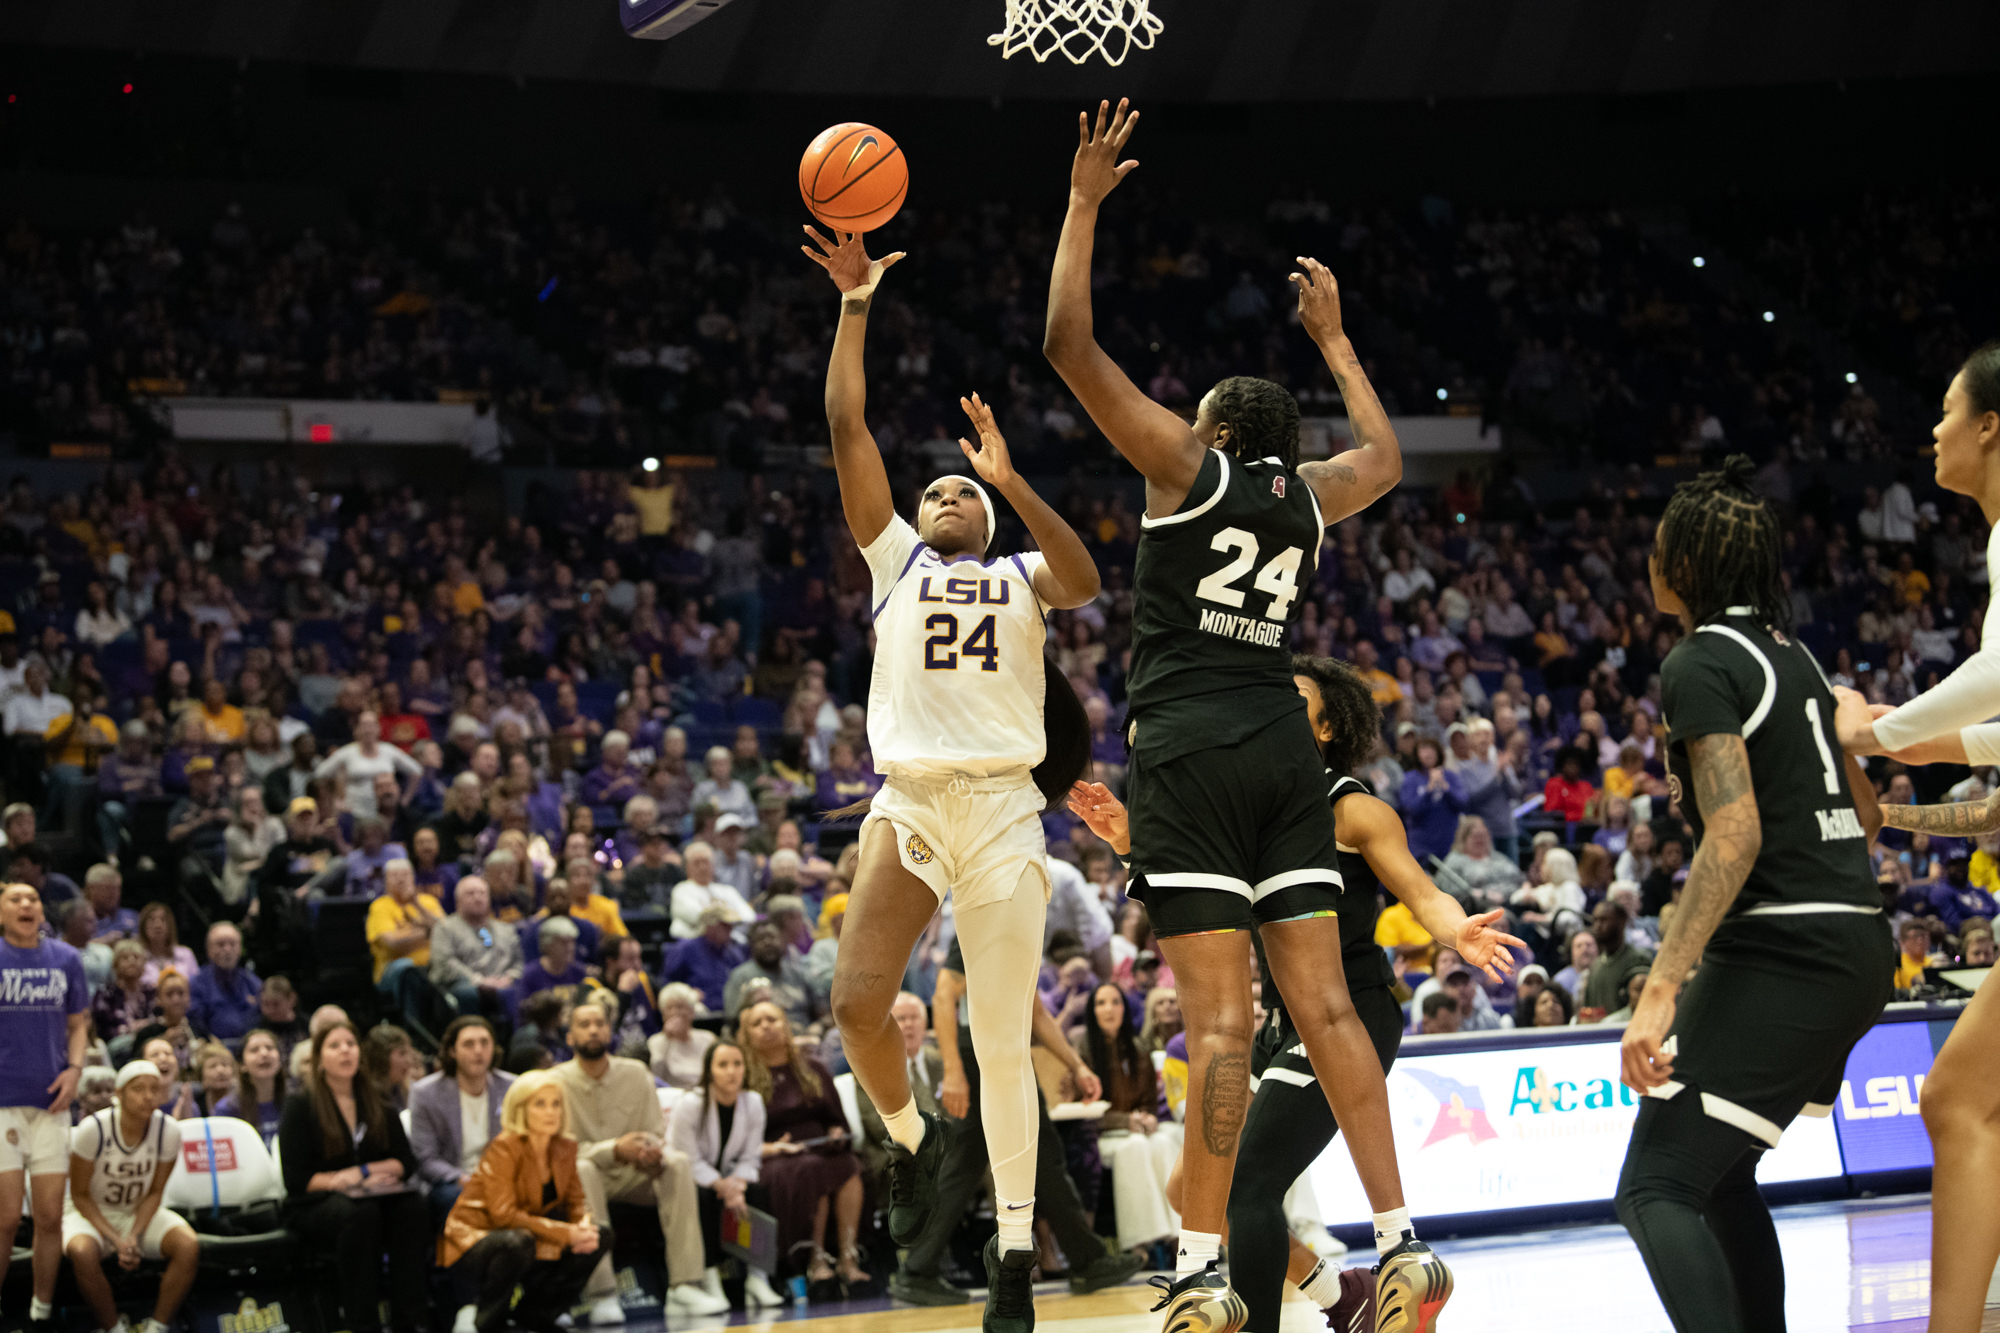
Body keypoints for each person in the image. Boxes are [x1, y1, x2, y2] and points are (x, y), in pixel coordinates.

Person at [1045, 98, 1442, 1333]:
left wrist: (1082, 201)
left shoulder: (1181, 465)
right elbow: (1383, 457)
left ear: (1214, 430)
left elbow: (1066, 341)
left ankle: (1206, 1269)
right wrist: (1333, 340)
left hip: (1189, 756)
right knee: (1321, 1011)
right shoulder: (1313, 498)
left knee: (1222, 1021)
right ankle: (1401, 1242)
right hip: (1282, 758)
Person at [804, 222, 1101, 1332]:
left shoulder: (1021, 570)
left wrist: (1012, 482)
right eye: (932, 492)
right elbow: (843, 423)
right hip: (914, 800)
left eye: (956, 493)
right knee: (853, 1002)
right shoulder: (893, 564)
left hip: (1003, 814)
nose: (942, 497)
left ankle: (1014, 1256)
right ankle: (920, 1148)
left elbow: (1079, 576)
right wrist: (854, 303)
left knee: (996, 1031)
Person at [1616, 457, 1892, 1333]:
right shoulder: (1794, 654)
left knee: (1655, 1186)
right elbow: (1869, 813)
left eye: (1660, 542)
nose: (1650, 555)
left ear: (1687, 562)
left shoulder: (1700, 660)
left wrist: (1659, 989)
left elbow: (1735, 836)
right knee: (1722, 1175)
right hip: (1852, 938)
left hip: (1787, 948)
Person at [894, 942, 1145, 1307]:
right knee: (976, 1162)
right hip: (980, 1052)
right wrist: (952, 1070)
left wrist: (1076, 1065)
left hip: (1007, 1049)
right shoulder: (982, 917)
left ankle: (1087, 1260)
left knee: (1038, 1158)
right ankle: (917, 1270)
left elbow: (1037, 1012)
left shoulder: (1023, 929)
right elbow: (944, 996)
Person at [554, 997, 729, 1319]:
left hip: (632, 1173)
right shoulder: (555, 1082)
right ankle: (602, 1294)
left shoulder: (636, 1073)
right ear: (570, 1036)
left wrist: (651, 1150)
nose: (593, 1030)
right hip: (584, 1179)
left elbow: (652, 1131)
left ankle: (685, 1286)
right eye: (584, 1025)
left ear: (610, 1032)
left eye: (600, 1024)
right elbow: (560, 1154)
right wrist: (614, 1148)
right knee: (581, 1167)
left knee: (676, 1163)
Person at [278, 1019, 428, 1333]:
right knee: (360, 1214)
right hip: (315, 1204)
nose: (345, 1051)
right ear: (320, 1058)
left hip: (371, 1194)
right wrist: (338, 1181)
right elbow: (296, 1179)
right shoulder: (300, 1105)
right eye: (335, 1046)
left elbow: (405, 1162)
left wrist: (361, 1173)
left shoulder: (377, 1099)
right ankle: (363, 1322)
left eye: (351, 1044)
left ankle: (408, 1319)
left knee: (413, 1207)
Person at [441, 1070, 609, 1333]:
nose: (550, 1112)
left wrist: (583, 1227)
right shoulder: (504, 1148)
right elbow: (503, 1216)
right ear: (521, 1109)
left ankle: (536, 1316)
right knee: (518, 1242)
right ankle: (490, 1323)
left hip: (528, 1234)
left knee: (599, 1236)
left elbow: (577, 1202)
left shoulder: (565, 1147)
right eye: (540, 1104)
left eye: (555, 1104)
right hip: (475, 1240)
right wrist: (566, 1233)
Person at [0, 881, 90, 1333]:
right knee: (6, 1217)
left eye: (32, 899)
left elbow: (78, 1024)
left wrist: (75, 1070)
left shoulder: (66, 959)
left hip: (53, 1103)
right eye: (15, 899)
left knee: (51, 1216)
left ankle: (40, 1313)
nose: (25, 904)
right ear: (0, 912)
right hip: (3, 1106)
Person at [737, 999, 867, 1290]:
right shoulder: (744, 1077)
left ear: (785, 1024)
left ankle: (849, 1257)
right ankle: (815, 1258)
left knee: (849, 1165)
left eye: (772, 1019)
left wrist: (835, 1132)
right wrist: (772, 1148)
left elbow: (837, 1118)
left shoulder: (814, 1068)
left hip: (819, 1147)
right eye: (757, 1024)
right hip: (773, 1157)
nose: (766, 1027)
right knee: (811, 1170)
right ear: (747, 1035)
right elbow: (739, 1138)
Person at [63, 1061, 201, 1333]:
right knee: (81, 1252)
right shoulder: (93, 1130)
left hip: (139, 1211)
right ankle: (113, 1328)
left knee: (188, 1245)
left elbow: (155, 1192)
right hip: (90, 1212)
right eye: (138, 1089)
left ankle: (157, 1326)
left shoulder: (169, 1131)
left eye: (154, 1088)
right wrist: (116, 1239)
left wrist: (133, 1235)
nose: (148, 1096)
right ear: (119, 1093)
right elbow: (79, 1195)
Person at [666, 1040, 786, 1310]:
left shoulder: (753, 1102)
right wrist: (723, 1186)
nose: (731, 1071)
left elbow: (750, 1156)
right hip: (691, 1177)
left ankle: (758, 1278)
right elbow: (686, 1159)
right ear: (710, 1071)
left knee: (757, 1189)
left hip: (730, 1176)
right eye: (723, 1065)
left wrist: (738, 1184)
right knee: (703, 1196)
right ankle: (710, 1278)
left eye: (737, 1064)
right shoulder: (690, 1105)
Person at [410, 1016, 516, 1226]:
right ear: (452, 1051)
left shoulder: (512, 1086)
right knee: (461, 1198)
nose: (478, 1051)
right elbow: (426, 1159)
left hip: (501, 1177)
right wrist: (465, 1179)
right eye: (469, 1044)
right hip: (452, 1180)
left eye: (485, 1043)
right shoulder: (426, 1093)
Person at [429, 876, 524, 1019]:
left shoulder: (506, 929)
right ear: (458, 901)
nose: (477, 898)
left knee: (519, 990)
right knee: (468, 993)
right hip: (464, 986)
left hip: (502, 984)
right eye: (470, 894)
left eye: (482, 893)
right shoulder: (445, 928)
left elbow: (519, 962)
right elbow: (445, 963)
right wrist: (478, 981)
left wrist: (510, 977)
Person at [366, 859, 446, 1029]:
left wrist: (415, 903)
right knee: (408, 969)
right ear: (386, 880)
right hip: (393, 970)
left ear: (413, 878)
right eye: (395, 875)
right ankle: (413, 1030)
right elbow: (393, 945)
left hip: (433, 966)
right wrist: (428, 931)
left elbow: (447, 933)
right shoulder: (380, 906)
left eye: (405, 874)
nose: (401, 879)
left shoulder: (428, 902)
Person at [724, 918, 824, 1027]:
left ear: (782, 940)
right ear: (752, 945)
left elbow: (819, 1011)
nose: (767, 943)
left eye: (772, 937)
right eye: (761, 939)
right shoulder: (740, 976)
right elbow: (732, 1019)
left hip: (806, 1035)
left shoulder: (796, 973)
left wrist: (818, 1027)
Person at [662, 904, 747, 1015]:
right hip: (697, 1016)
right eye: (725, 925)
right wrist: (687, 994)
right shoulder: (685, 949)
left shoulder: (733, 953)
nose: (730, 930)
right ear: (710, 926)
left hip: (729, 1015)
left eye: (731, 926)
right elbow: (668, 986)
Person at [189, 920, 263, 1047]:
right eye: (221, 944)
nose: (227, 949)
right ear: (209, 950)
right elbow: (196, 1025)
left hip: (251, 1047)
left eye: (233, 944)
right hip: (213, 1049)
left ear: (240, 949)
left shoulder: (253, 983)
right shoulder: (196, 984)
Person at [212, 1028, 287, 1145]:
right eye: (254, 1050)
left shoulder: (295, 1104)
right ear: (242, 1065)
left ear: (280, 1060)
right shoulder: (226, 1110)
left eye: (270, 1048)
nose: (264, 1053)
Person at [667, 842, 754, 940]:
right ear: (687, 867)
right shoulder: (681, 890)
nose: (702, 867)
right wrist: (730, 917)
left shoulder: (727, 890)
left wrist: (722, 918)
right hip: (694, 943)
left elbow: (749, 915)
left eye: (706, 862)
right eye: (697, 863)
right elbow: (699, 916)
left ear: (713, 865)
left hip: (729, 943)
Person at [647, 982, 717, 1090]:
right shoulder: (656, 1042)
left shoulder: (708, 1038)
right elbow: (656, 1077)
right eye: (669, 1008)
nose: (675, 1012)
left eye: (680, 1007)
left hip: (706, 1094)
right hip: (673, 1096)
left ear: (692, 1012)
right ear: (663, 1015)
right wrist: (667, 1040)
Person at [135, 901, 195, 988]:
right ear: (143, 926)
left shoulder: (186, 954)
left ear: (170, 925)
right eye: (152, 920)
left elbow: (195, 987)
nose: (157, 925)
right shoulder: (136, 958)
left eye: (163, 920)